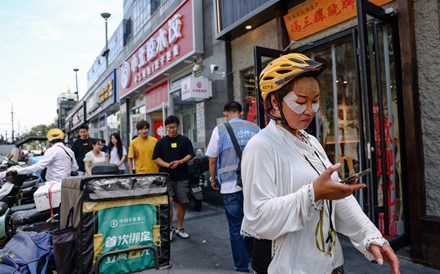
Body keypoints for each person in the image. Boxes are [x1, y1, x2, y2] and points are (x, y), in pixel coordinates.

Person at [240, 53, 400, 274]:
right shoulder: (261, 146)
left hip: (330, 266)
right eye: (300, 102)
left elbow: (338, 199)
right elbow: (257, 218)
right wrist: (313, 193)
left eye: (315, 102)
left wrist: (370, 236)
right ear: (274, 102)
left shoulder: (311, 140)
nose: (309, 110)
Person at [206, 101, 260, 272]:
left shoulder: (220, 130)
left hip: (230, 186)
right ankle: (253, 255)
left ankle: (242, 266)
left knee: (236, 227)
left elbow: (212, 159)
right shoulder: (255, 128)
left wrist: (213, 179)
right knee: (254, 222)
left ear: (226, 114)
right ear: (241, 113)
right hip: (253, 184)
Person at [153, 115, 195, 241]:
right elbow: (155, 158)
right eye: (170, 127)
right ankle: (170, 227)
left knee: (181, 202)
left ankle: (180, 228)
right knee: (169, 202)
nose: (172, 130)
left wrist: (180, 162)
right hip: (167, 177)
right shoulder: (161, 142)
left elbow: (191, 154)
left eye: (175, 127)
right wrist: (167, 165)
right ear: (165, 128)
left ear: (178, 127)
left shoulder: (184, 140)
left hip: (182, 177)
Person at [5, 128, 78, 182]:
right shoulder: (69, 151)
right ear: (62, 138)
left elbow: (38, 166)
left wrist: (18, 171)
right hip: (67, 184)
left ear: (49, 140)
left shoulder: (51, 151)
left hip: (53, 185)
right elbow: (75, 168)